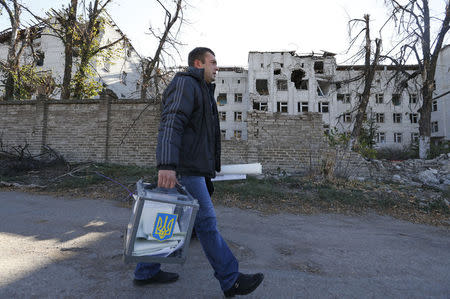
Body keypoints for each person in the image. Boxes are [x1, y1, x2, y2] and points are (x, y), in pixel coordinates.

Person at [133, 47, 264, 297]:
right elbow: (172, 122)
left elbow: (201, 137)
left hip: (191, 169)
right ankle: (230, 279)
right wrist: (167, 165)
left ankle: (146, 271)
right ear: (198, 63)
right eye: (213, 62)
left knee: (166, 221)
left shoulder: (202, 90)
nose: (217, 68)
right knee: (206, 224)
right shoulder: (186, 83)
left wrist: (209, 171)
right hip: (183, 169)